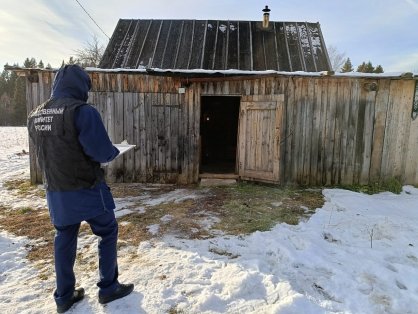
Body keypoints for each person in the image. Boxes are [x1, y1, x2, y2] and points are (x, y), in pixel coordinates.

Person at [27, 65, 134, 313]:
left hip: (56, 191)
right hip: (87, 188)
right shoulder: (83, 112)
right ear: (80, 85)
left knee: (64, 237)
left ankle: (64, 296)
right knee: (107, 231)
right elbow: (101, 152)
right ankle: (108, 288)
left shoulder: (36, 115)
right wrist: (115, 150)